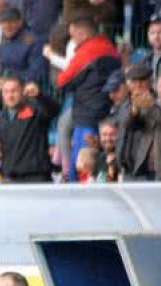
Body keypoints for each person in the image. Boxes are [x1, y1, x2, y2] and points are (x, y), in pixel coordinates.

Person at [55, 17, 119, 182]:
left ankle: (66, 172)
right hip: (106, 108)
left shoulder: (87, 51)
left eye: (73, 36)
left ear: (82, 34)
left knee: (83, 167)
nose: (73, 41)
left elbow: (63, 82)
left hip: (87, 113)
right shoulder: (110, 47)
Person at [115, 63, 161, 181]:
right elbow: (125, 127)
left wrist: (150, 106)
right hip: (130, 166)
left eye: (141, 81)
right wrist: (134, 112)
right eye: (134, 82)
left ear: (150, 82)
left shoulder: (160, 102)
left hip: (151, 166)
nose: (138, 85)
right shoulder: (125, 103)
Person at [0, 7, 46, 86]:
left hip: (27, 88)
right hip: (7, 88)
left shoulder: (34, 42)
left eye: (11, 22)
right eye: (3, 22)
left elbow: (36, 74)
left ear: (20, 22)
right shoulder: (3, 44)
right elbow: (2, 69)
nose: (7, 26)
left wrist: (11, 76)